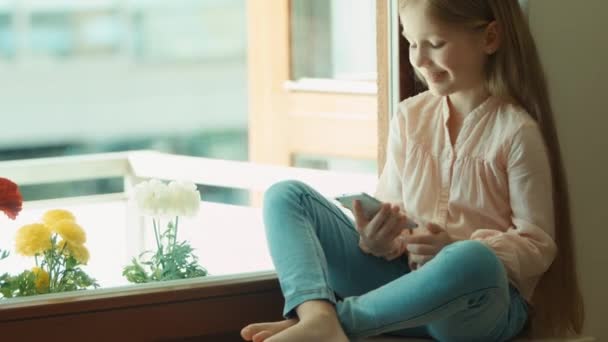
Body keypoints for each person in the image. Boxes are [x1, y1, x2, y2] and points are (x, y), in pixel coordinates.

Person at [241, 0, 584, 341]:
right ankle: (316, 314)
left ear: (490, 38)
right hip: (402, 293)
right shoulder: (409, 118)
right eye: (411, 43)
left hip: (473, 307)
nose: (419, 59)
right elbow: (391, 214)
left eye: (435, 44)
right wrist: (376, 238)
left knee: (471, 258)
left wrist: (453, 246)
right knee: (285, 196)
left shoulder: (515, 132)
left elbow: (538, 245)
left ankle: (333, 323)